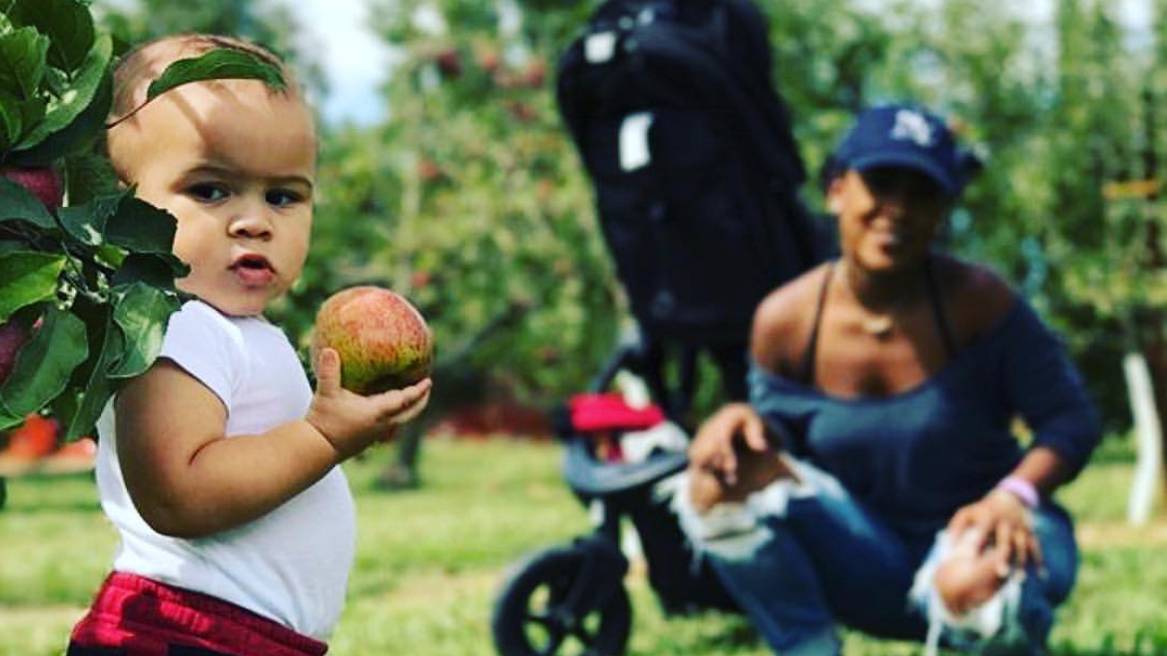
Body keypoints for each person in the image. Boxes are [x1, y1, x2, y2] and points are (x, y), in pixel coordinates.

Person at [672, 104, 1100, 655]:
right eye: (880, 183)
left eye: (921, 193)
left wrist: (1013, 494)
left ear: (943, 211)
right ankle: (806, 646)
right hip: (863, 551)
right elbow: (778, 436)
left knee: (972, 579)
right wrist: (738, 419)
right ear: (836, 191)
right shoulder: (787, 320)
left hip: (980, 538)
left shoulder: (979, 303)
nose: (896, 209)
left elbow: (1071, 420)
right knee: (716, 479)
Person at [67, 35, 431, 656]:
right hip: (186, 635)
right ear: (119, 208)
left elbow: (260, 459)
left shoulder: (232, 331)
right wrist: (322, 436)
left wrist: (344, 429)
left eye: (283, 196)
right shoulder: (171, 324)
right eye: (210, 190)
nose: (255, 220)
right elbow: (177, 494)